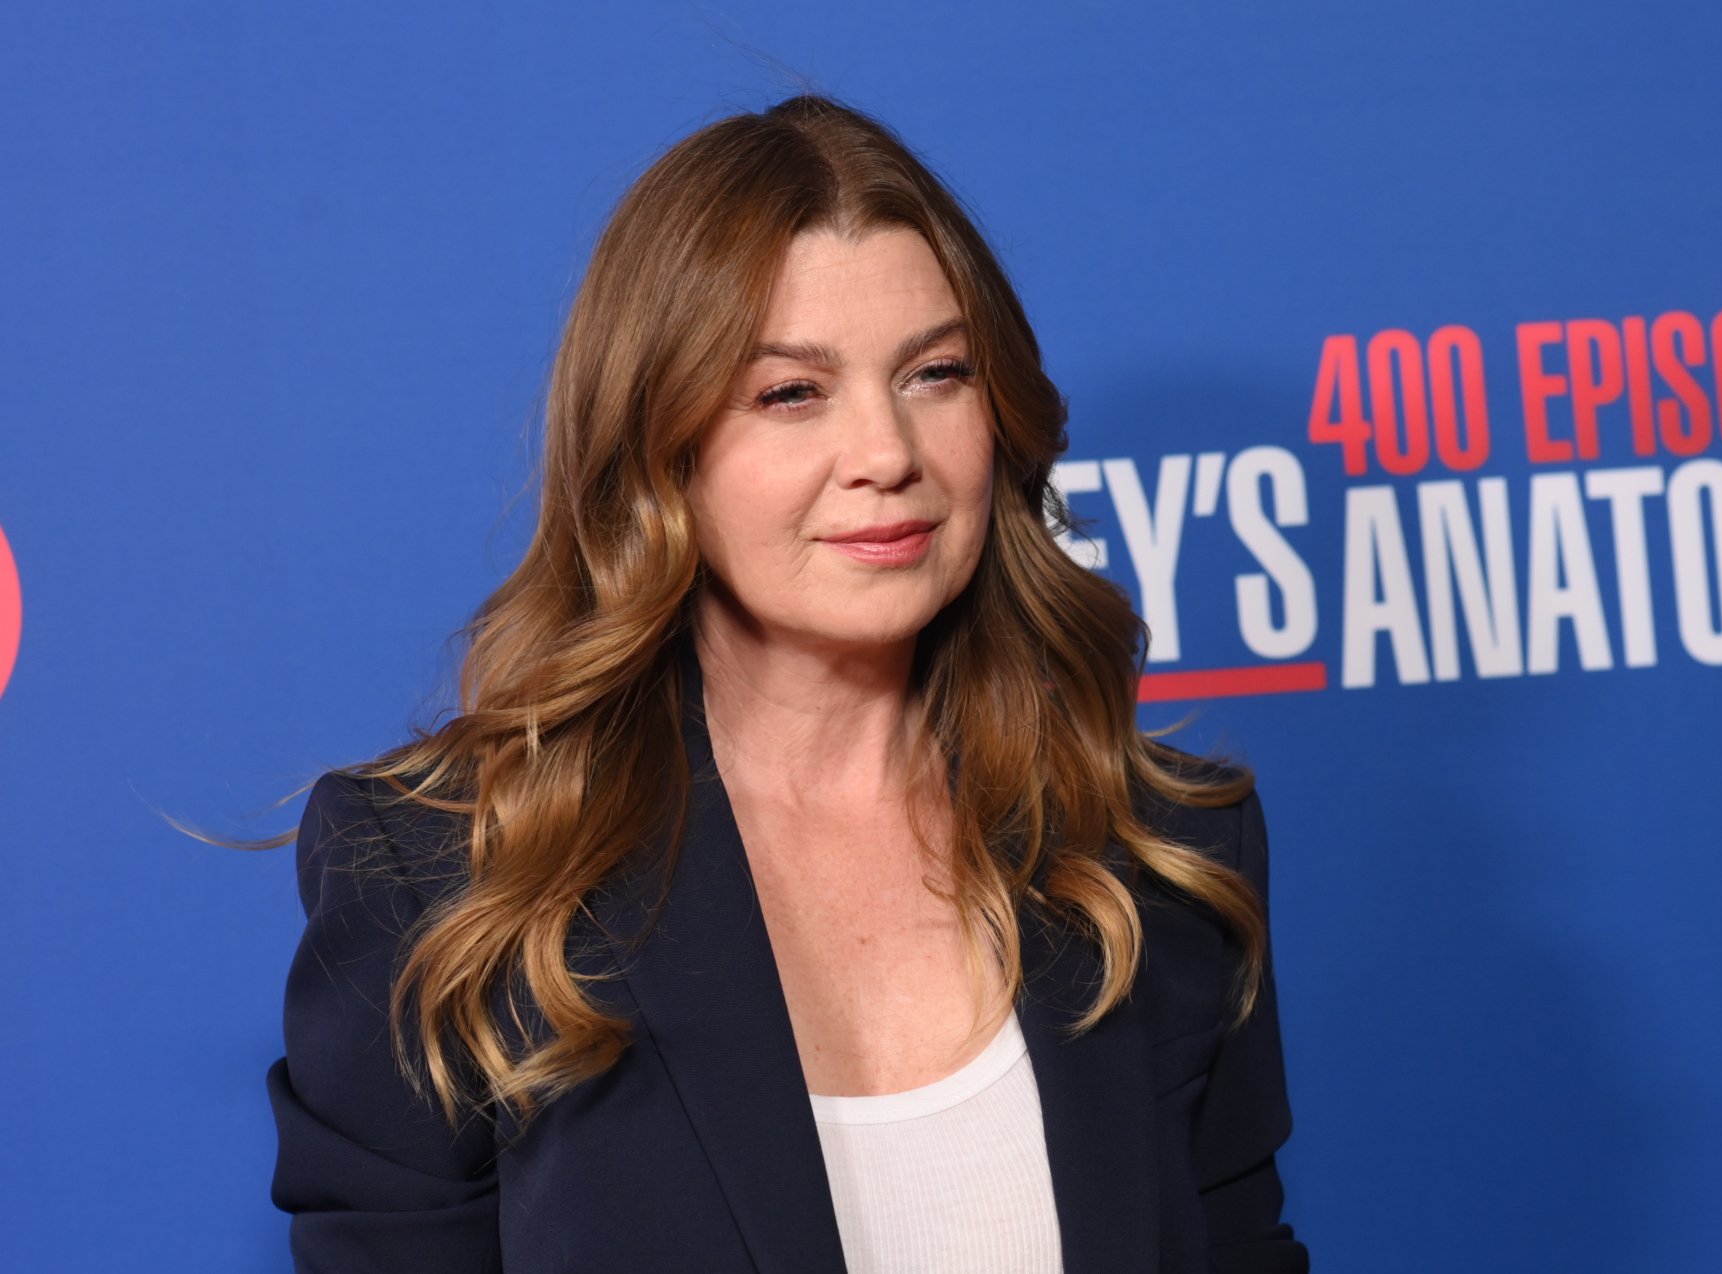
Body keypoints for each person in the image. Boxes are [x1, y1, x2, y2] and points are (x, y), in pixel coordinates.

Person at [266, 92, 1307, 1273]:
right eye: (789, 392)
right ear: (659, 447)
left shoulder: (1163, 849)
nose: (886, 454)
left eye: (935, 373)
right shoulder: (441, 875)